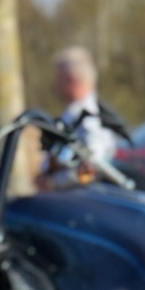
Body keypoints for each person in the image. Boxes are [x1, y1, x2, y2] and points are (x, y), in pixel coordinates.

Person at [40, 47, 127, 187]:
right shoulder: (72, 114)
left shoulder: (92, 119)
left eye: (58, 78)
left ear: (71, 79)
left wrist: (53, 183)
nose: (54, 84)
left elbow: (93, 169)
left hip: (76, 197)